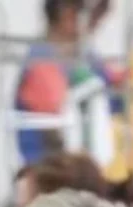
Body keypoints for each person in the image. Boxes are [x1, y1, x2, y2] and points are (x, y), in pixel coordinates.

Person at [15, 0, 119, 166]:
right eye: (96, 11)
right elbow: (56, 135)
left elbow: (114, 95)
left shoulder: (85, 55)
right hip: (54, 177)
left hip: (88, 170)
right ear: (67, 11)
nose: (100, 20)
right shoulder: (42, 63)